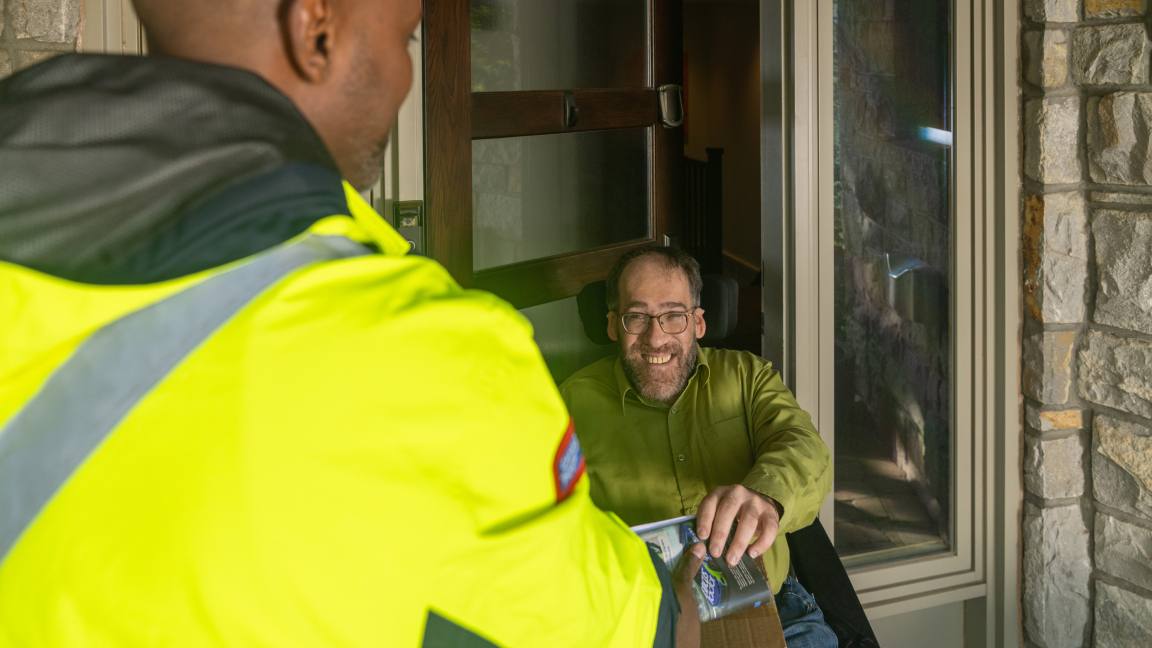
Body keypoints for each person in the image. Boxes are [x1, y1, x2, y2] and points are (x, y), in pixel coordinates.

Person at [0, 1, 704, 645]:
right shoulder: (426, 357)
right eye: (406, 39)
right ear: (317, 28)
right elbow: (635, 629)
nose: (405, 79)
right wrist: (678, 599)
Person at [560, 245, 838, 647]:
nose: (656, 338)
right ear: (612, 325)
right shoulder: (568, 405)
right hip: (644, 625)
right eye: (637, 317)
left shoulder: (749, 377)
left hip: (775, 607)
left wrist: (766, 497)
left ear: (699, 323)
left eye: (673, 315)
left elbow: (804, 448)